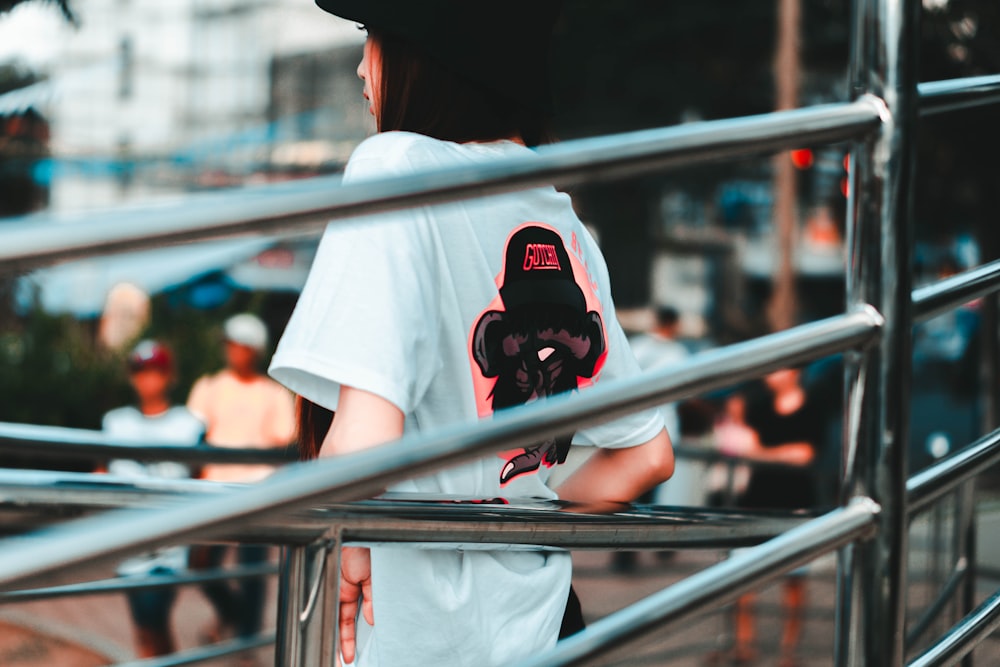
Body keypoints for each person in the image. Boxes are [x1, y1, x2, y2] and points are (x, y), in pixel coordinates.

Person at [267, 2, 675, 665]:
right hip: (546, 630)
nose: (360, 68)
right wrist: (512, 518)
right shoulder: (564, 224)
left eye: (372, 37)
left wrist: (349, 540)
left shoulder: (395, 165)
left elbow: (366, 432)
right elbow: (646, 454)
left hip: (417, 636)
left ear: (429, 53)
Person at [186, 313, 296, 648]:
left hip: (256, 490)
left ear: (254, 350)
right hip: (214, 489)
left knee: (252, 571)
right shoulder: (210, 386)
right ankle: (232, 615)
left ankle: (245, 639)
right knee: (200, 564)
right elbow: (196, 437)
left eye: (242, 346)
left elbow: (283, 440)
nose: (235, 352)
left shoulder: (273, 395)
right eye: (232, 345)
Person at [102, 340, 205, 658]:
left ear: (168, 375)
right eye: (141, 371)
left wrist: (203, 540)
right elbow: (100, 472)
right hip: (128, 544)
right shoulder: (115, 423)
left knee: (152, 619)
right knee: (146, 627)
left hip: (168, 547)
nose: (148, 379)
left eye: (155, 371)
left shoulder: (189, 425)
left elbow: (202, 480)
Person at [714, 368, 823, 667]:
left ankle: (789, 652)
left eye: (779, 367)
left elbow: (804, 454)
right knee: (744, 579)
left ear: (796, 371)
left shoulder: (812, 407)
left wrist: (762, 451)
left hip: (796, 506)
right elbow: (741, 448)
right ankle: (744, 647)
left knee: (794, 583)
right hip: (755, 503)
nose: (771, 374)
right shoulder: (757, 406)